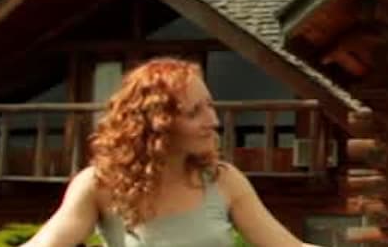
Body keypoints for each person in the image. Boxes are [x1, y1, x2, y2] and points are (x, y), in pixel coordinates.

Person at [21, 57, 322, 247]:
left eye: (210, 106)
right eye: (194, 112)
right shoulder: (98, 184)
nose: (213, 121)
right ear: (157, 124)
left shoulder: (223, 180)